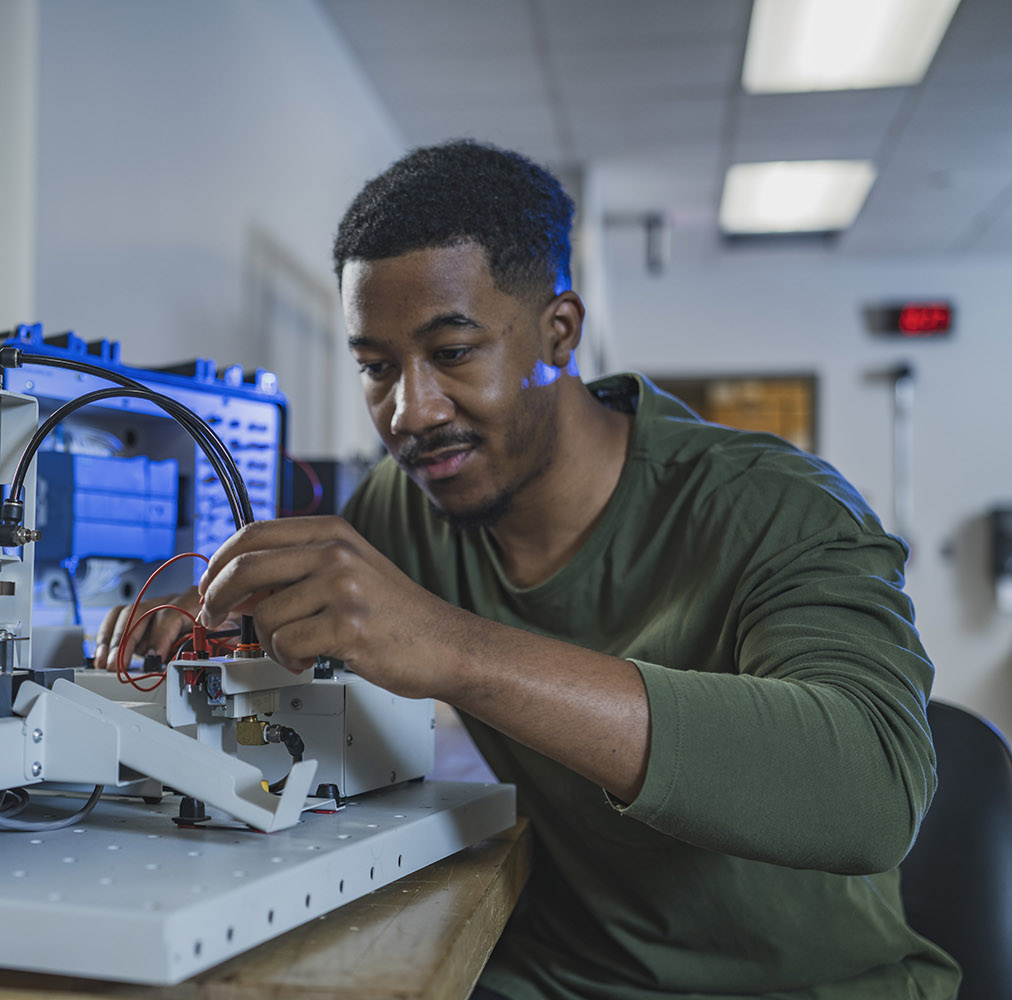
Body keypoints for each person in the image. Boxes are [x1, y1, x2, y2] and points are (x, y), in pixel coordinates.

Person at [94, 140, 959, 999]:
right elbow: (315, 653)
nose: (410, 411)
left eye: (454, 352)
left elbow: (875, 785)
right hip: (552, 973)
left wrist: (458, 650)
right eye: (376, 367)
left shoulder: (779, 505)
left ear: (560, 332)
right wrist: (227, 629)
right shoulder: (405, 506)